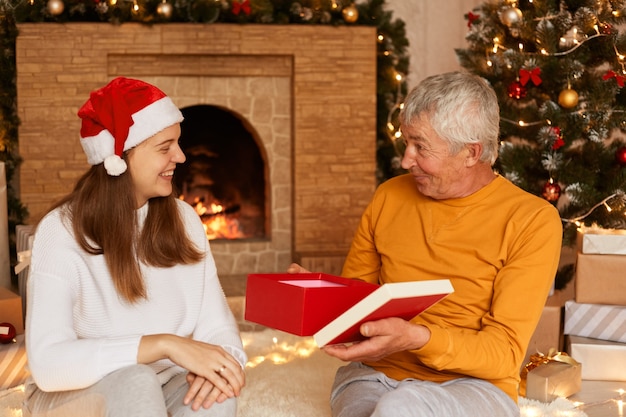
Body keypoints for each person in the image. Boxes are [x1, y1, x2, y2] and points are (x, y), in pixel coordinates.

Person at [289, 71, 562, 417]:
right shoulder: (389, 196)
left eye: (421, 146)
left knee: (400, 407)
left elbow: (503, 352)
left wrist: (416, 338)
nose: (406, 160)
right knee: (390, 408)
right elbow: (359, 303)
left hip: (474, 386)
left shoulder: (532, 219)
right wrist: (323, 298)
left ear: (470, 153)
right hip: (373, 376)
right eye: (407, 143)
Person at [23, 77, 246, 417]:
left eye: (178, 143)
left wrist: (224, 363)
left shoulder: (185, 220)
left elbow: (216, 325)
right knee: (137, 382)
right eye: (164, 147)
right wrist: (163, 344)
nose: (181, 156)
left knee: (218, 392)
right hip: (73, 394)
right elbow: (49, 366)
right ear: (120, 157)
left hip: (164, 383)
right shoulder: (60, 231)